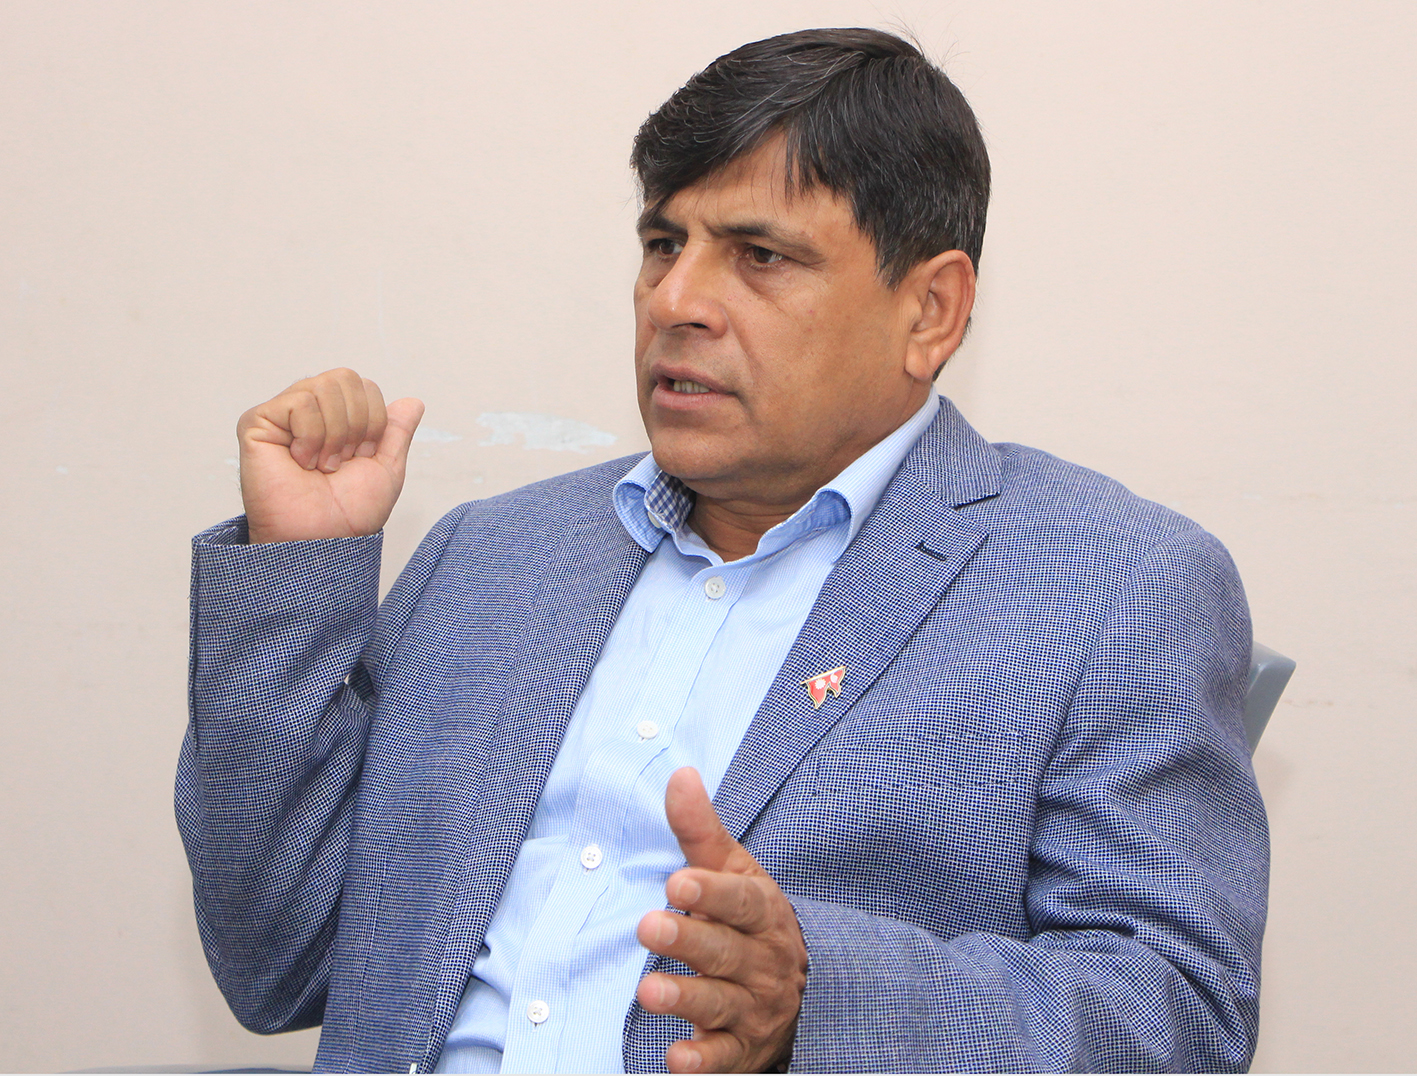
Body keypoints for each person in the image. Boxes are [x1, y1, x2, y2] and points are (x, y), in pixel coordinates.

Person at [177, 27, 1267, 1074]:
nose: (675, 300)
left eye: (759, 256)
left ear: (930, 311)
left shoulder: (1111, 585)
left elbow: (1176, 1015)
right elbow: (277, 960)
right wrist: (298, 576)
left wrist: (814, 997)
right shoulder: (490, 556)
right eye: (663, 244)